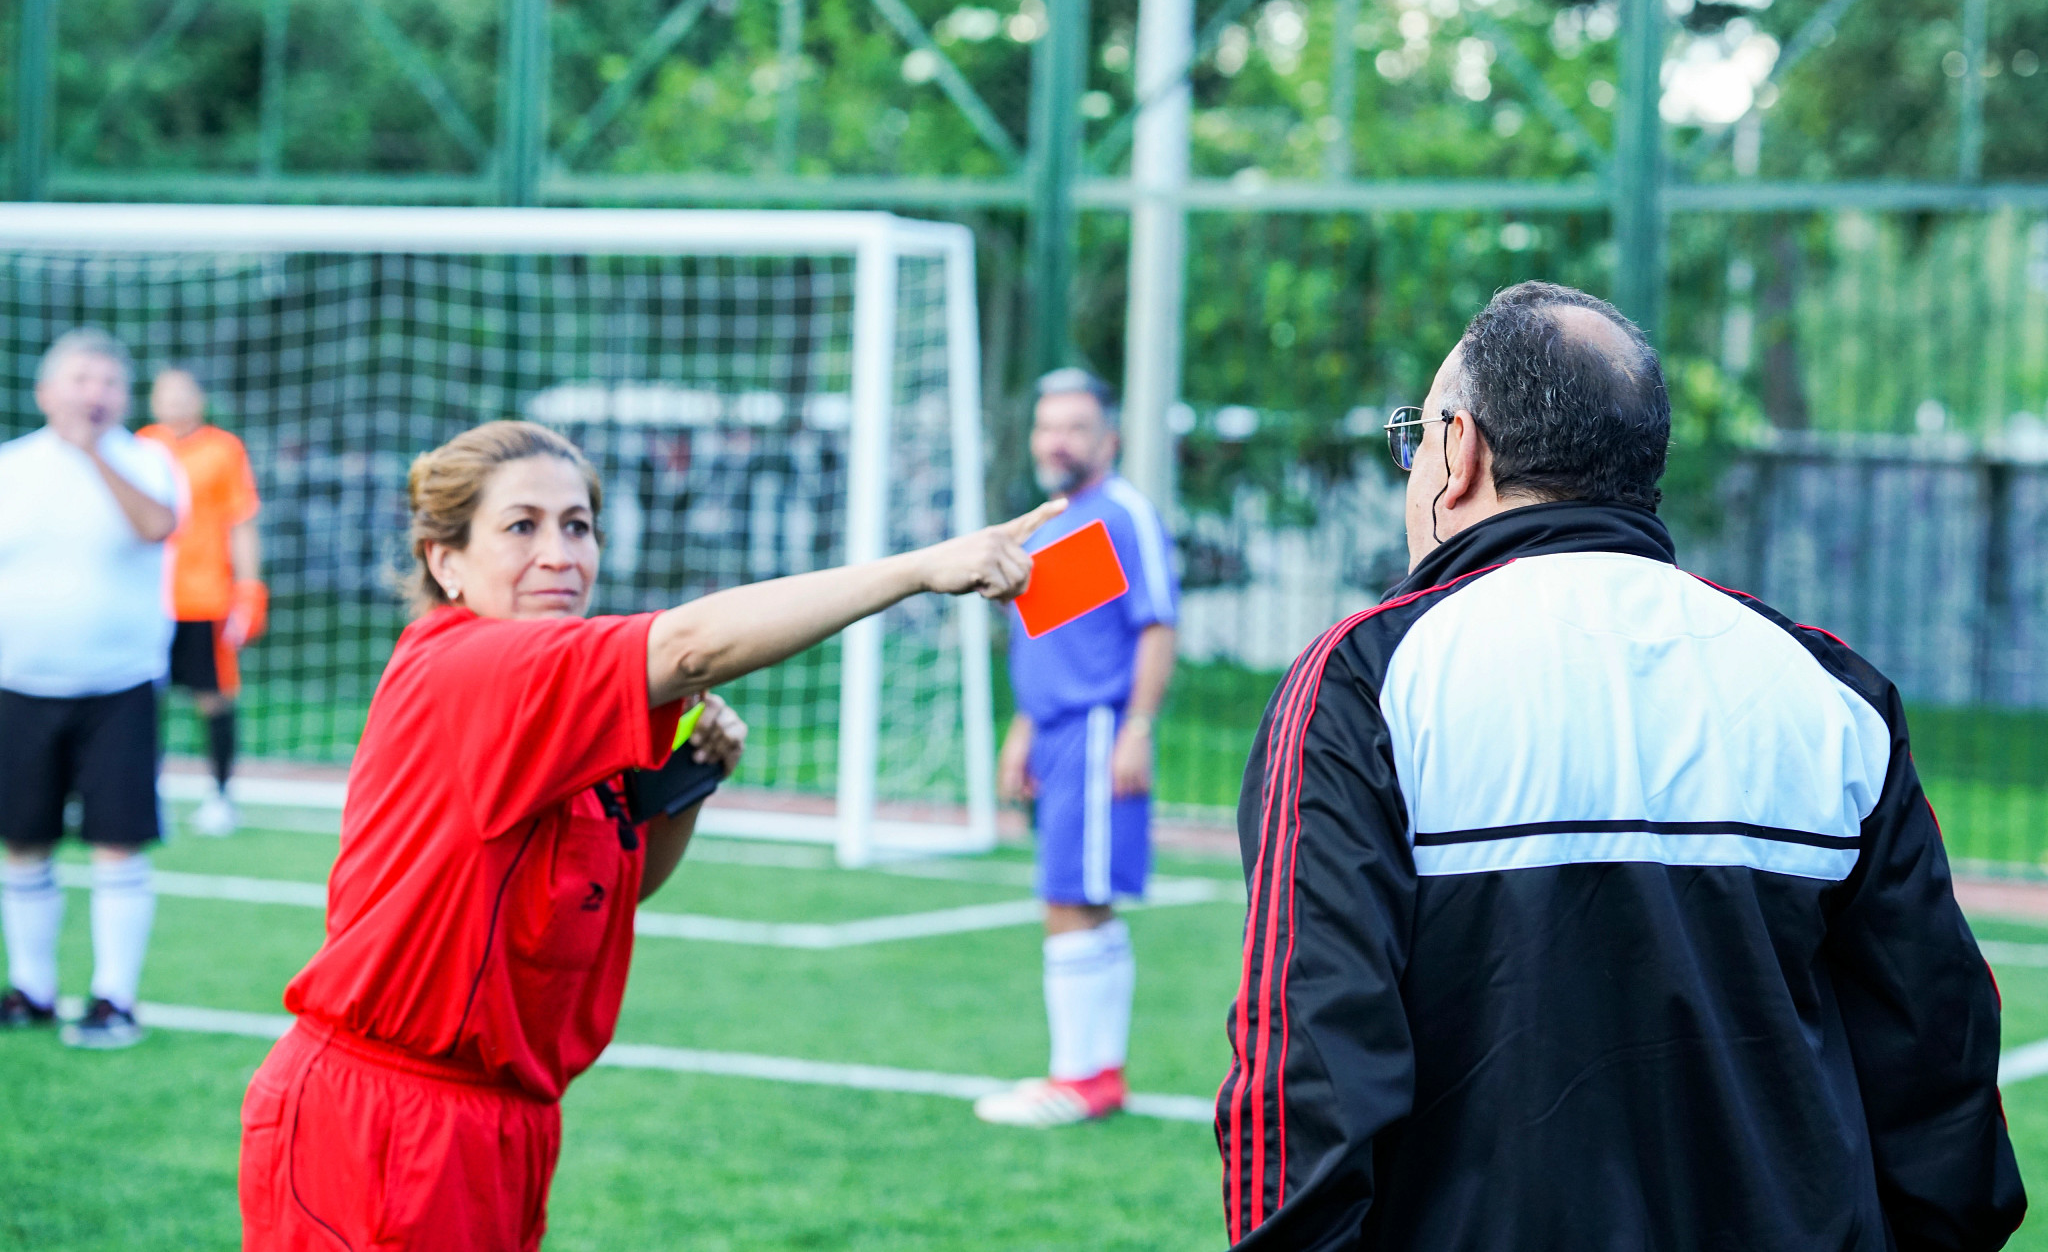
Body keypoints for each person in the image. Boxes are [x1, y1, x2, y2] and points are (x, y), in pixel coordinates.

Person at [1215, 281, 2025, 1250]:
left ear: (1459, 450)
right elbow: (1939, 1057)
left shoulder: (1367, 678)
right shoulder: (1826, 687)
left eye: (1413, 436)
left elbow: (1304, 1062)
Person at [238, 419, 1059, 1251]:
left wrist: (681, 792)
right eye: (521, 526)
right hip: (380, 1119)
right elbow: (692, 648)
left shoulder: (554, 701)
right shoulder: (467, 664)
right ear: (443, 560)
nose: (559, 553)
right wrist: (919, 569)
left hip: (503, 1123)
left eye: (578, 525)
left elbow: (611, 887)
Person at [975, 368, 1179, 1128]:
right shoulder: (1058, 520)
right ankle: (1091, 1072)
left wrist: (1135, 729)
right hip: (1055, 731)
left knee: (1073, 899)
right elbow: (1054, 637)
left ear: (1108, 439)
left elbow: (1156, 624)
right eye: (1046, 425)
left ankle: (1081, 1079)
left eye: (1074, 427)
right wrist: (1023, 729)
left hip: (1098, 730)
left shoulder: (1124, 515)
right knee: (1070, 897)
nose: (1057, 440)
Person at [0, 329, 181, 1049]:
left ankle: (114, 998)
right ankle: (33, 989)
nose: (93, 393)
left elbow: (156, 527)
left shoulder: (150, 463)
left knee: (118, 842)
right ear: (47, 392)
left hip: (120, 687)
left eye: (107, 381)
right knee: (23, 842)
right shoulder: (11, 467)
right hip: (19, 685)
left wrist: (94, 457)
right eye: (80, 379)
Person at [140, 369, 267, 837]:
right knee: (140, 698)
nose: (174, 402)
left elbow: (241, 521)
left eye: (183, 392)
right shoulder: (141, 446)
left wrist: (249, 587)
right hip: (150, 599)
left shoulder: (223, 449)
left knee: (213, 698)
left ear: (200, 399)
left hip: (207, 596)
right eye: (165, 393)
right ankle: (142, 790)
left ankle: (220, 796)